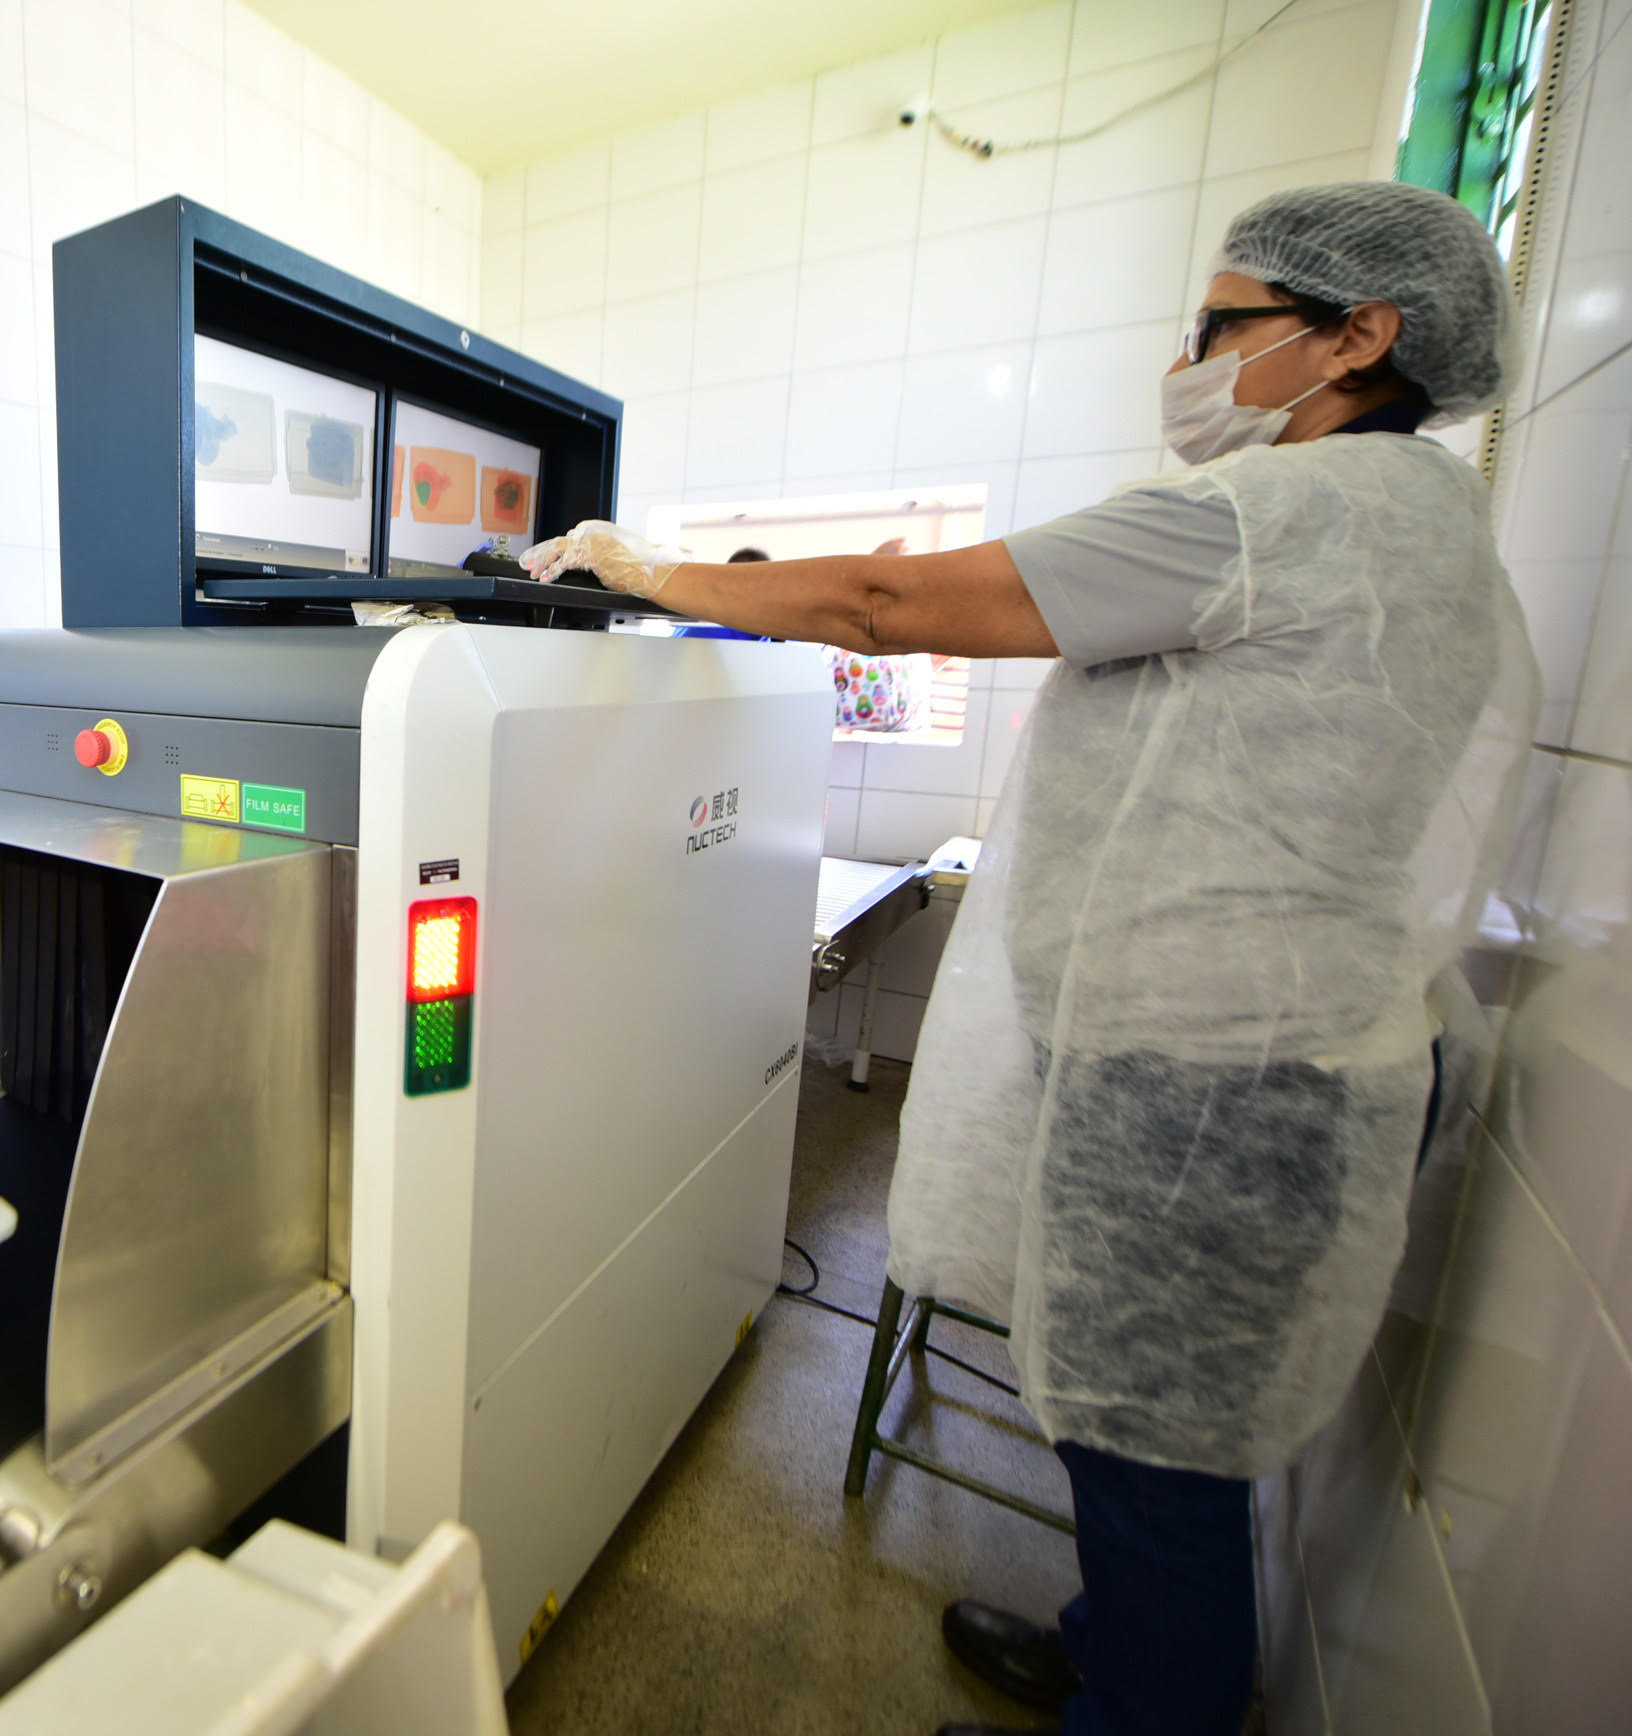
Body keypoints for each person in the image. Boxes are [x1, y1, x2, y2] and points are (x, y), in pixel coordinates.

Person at [524, 182, 1535, 1736]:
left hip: (1214, 1092)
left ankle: (1140, 1700)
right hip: (1279, 1059)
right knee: (1160, 1444)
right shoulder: (1424, 525)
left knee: (1157, 1455)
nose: (1190, 363)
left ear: (1359, 336)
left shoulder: (1288, 513)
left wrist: (648, 570)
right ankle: (1112, 1649)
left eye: (1221, 326)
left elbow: (891, 601)